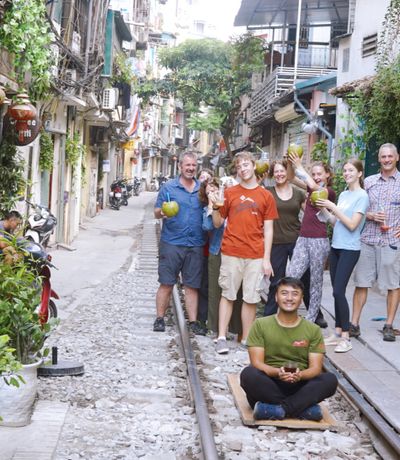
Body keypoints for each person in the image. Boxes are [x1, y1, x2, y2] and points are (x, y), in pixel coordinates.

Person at [240, 277, 338, 421]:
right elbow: (257, 363)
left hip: (300, 385)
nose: (289, 298)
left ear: (301, 298)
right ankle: (302, 410)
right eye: (284, 293)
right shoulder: (260, 324)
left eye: (295, 294)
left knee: (330, 380)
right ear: (276, 296)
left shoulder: (313, 329)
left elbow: (316, 368)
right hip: (269, 384)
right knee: (248, 374)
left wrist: (300, 375)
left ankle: (276, 410)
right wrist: (278, 373)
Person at [209, 151, 278, 354]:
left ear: (254, 166)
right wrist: (214, 207)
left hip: (256, 254)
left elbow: (269, 229)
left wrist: (267, 259)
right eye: (239, 167)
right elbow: (217, 223)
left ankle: (247, 338)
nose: (242, 169)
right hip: (231, 250)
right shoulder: (229, 193)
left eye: (246, 165)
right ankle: (221, 337)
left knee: (251, 298)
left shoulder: (266, 196)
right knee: (228, 293)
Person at [317, 159, 369, 353]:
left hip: (350, 249)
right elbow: (336, 222)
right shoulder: (345, 194)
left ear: (359, 174)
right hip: (336, 246)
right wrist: (323, 208)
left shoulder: (362, 196)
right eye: (345, 170)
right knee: (335, 292)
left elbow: (353, 224)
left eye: (350, 170)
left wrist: (333, 205)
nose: (346, 173)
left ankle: (346, 337)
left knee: (339, 291)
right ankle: (338, 331)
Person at [153, 151, 207, 335]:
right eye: (187, 165)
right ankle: (160, 318)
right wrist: (162, 213)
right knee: (166, 282)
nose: (191, 168)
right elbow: (157, 211)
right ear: (180, 167)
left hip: (195, 243)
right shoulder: (169, 188)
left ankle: (193, 322)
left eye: (193, 165)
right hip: (172, 242)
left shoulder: (202, 188)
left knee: (192, 285)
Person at [351, 143, 400, 342]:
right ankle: (354, 324)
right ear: (379, 159)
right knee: (361, 282)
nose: (387, 159)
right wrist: (370, 215)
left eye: (390, 156)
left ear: (397, 157)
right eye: (383, 156)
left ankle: (388, 325)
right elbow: (357, 207)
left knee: (393, 284)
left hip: (391, 241)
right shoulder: (369, 182)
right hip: (368, 239)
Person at [286, 156, 336, 324]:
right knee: (292, 276)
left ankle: (311, 318)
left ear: (327, 175)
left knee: (316, 281)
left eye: (320, 173)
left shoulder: (328, 192)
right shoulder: (310, 187)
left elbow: (315, 187)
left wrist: (301, 166)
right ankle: (288, 312)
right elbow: (291, 177)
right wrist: (292, 164)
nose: (316, 177)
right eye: (313, 173)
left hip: (318, 241)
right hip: (303, 239)